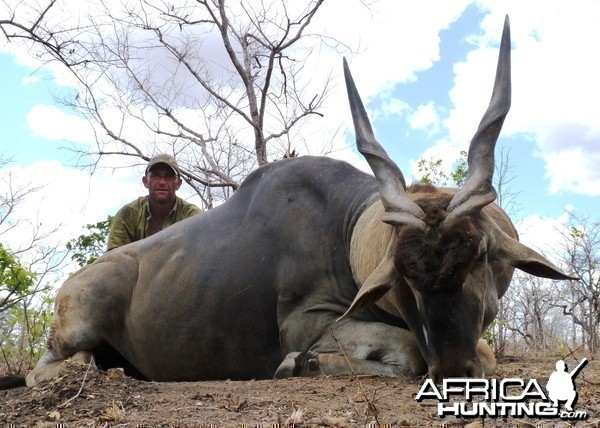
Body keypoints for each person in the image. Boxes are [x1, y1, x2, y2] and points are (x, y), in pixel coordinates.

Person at [107, 154, 202, 251]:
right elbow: (113, 259)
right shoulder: (128, 214)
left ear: (178, 183)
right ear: (145, 181)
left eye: (169, 177)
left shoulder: (193, 217)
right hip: (136, 266)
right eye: (155, 176)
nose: (162, 182)